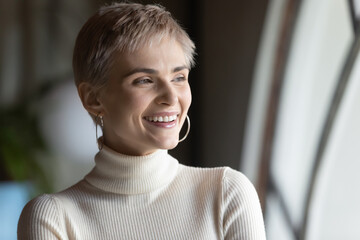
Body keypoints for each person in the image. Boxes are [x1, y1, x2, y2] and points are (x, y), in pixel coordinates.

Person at [18, 2, 266, 239]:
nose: (171, 97)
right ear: (93, 98)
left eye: (179, 77)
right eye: (144, 80)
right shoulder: (53, 217)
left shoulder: (226, 193)